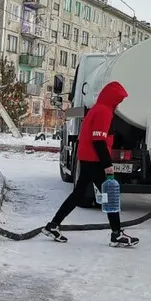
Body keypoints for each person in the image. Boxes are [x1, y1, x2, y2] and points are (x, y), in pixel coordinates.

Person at [43, 81, 139, 247]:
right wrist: (107, 164)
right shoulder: (103, 111)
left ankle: (52, 226)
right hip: (94, 160)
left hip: (87, 158)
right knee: (110, 196)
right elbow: (98, 140)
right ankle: (116, 235)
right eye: (118, 100)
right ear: (112, 98)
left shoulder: (98, 108)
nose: (119, 104)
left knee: (78, 195)